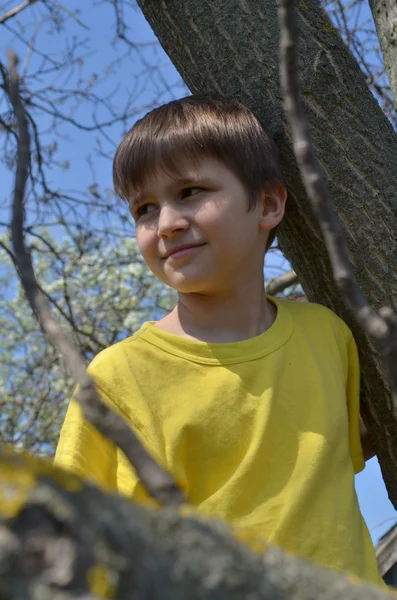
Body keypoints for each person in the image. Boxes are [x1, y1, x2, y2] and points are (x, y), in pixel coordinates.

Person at [54, 94, 382, 585]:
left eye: (190, 191)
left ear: (268, 204)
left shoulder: (327, 335)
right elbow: (68, 536)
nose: (166, 224)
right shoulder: (119, 377)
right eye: (144, 208)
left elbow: (342, 449)